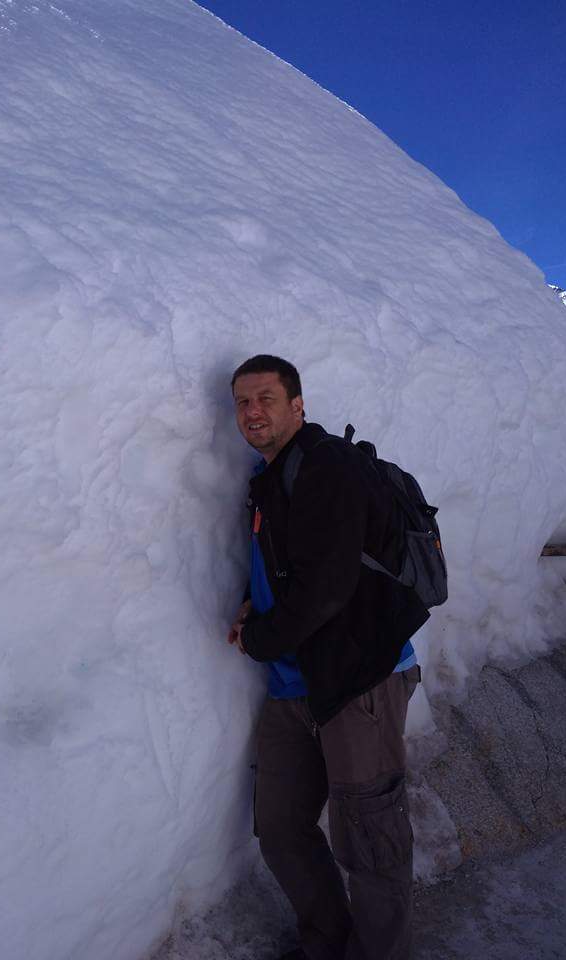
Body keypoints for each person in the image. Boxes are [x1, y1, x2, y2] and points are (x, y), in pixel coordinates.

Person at [228, 355, 428, 960]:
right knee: (282, 829)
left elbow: (330, 583)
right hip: (295, 686)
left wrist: (260, 638)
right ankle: (328, 942)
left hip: (358, 681)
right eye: (242, 402)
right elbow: (292, 566)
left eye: (266, 397)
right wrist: (249, 603)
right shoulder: (271, 476)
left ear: (298, 405)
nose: (252, 411)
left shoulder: (327, 466)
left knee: (370, 838)